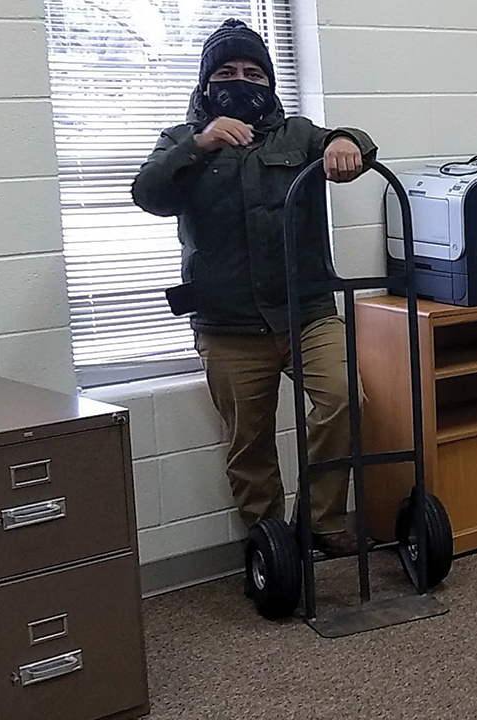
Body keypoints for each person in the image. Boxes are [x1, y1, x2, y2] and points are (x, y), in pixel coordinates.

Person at [132, 19, 375, 557]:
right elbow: (148, 193)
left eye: (252, 72)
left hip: (306, 310)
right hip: (229, 320)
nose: (240, 80)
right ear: (205, 83)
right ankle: (269, 545)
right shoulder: (180, 140)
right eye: (226, 72)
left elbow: (360, 145)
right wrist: (199, 144)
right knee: (251, 443)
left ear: (269, 81)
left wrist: (344, 142)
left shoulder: (297, 134)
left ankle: (321, 522)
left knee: (345, 400)